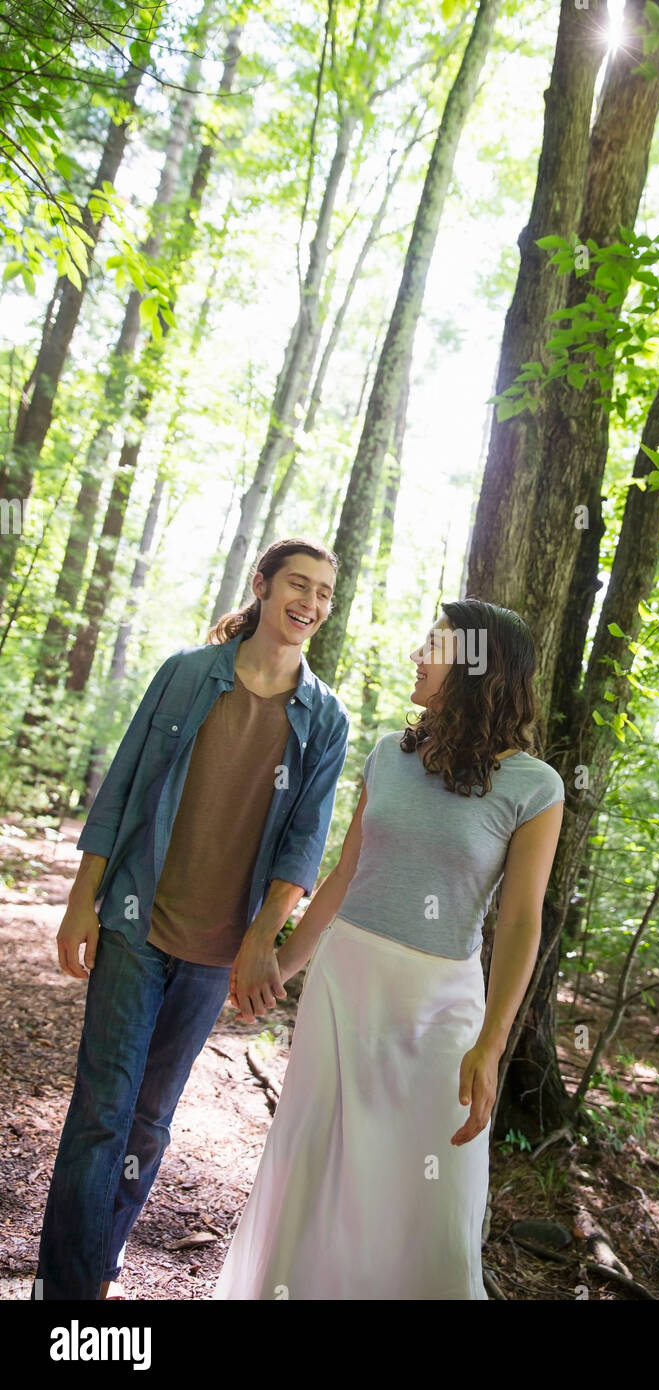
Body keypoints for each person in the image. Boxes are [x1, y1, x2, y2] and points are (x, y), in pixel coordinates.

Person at [212, 599, 565, 1300]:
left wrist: (493, 1043)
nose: (415, 655)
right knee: (317, 1161)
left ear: (474, 666)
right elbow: (346, 875)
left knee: (434, 1186)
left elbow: (522, 923)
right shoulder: (387, 755)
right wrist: (280, 966)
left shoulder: (536, 786)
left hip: (444, 1008)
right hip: (347, 985)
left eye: (431, 645)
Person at [32, 537, 350, 1300]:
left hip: (216, 952)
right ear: (263, 586)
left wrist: (260, 940)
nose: (309, 604)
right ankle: (66, 1293)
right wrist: (84, 900)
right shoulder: (184, 677)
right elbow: (125, 790)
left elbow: (303, 846)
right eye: (297, 586)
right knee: (104, 1112)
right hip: (137, 926)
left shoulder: (325, 719)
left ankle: (94, 1266)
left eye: (324, 594)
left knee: (148, 1121)